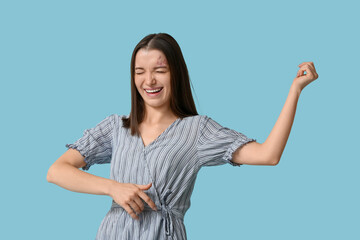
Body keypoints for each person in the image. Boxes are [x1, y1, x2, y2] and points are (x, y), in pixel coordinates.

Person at [46, 33, 318, 240]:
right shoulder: (116, 127)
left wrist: (295, 90)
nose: (149, 80)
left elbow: (268, 155)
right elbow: (57, 171)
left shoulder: (197, 131)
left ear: (176, 73)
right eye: (140, 72)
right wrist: (113, 188)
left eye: (160, 70)